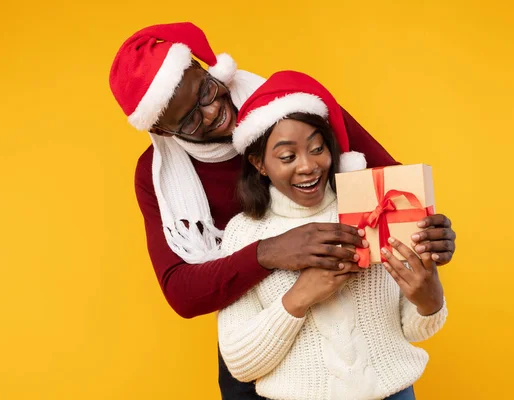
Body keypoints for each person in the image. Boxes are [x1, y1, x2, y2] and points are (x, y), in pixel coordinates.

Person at [108, 22, 456, 399]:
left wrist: (428, 238)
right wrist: (270, 252)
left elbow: (394, 194)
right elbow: (182, 291)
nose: (210, 113)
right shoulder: (159, 177)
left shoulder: (294, 106)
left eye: (206, 90)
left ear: (205, 69)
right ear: (162, 130)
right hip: (265, 336)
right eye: (190, 119)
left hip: (369, 343)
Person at [218, 70, 447, 400]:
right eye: (287, 156)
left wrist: (429, 298)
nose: (308, 166)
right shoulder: (244, 233)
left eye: (317, 148)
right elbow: (241, 364)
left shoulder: (372, 206)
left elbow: (415, 328)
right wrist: (302, 295)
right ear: (260, 164)